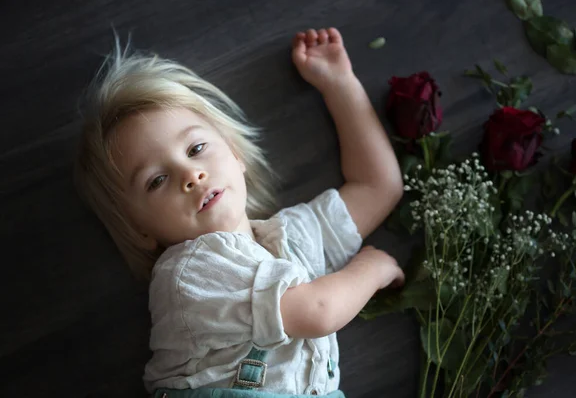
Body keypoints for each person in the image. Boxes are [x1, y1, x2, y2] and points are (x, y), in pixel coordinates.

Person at [74, 27, 405, 398]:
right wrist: (370, 269)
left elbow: (377, 188)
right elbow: (317, 311)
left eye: (196, 148)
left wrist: (340, 84)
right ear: (139, 230)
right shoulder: (188, 274)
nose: (190, 175)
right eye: (156, 180)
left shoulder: (293, 238)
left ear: (236, 155)